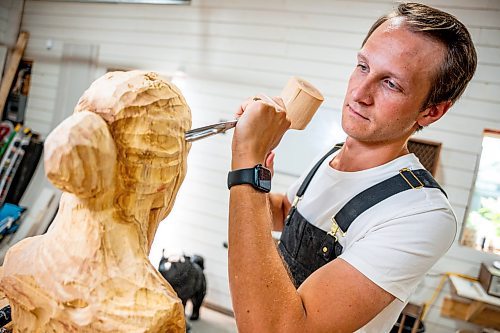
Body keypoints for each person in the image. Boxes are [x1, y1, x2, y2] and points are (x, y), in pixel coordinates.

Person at [226, 2, 477, 333]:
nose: (359, 94)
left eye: (391, 84)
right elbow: (287, 212)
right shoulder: (332, 155)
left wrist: (247, 165)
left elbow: (278, 328)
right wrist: (260, 162)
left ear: (431, 112)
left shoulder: (422, 213)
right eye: (363, 66)